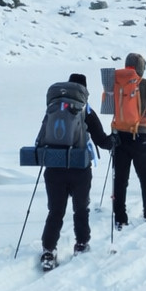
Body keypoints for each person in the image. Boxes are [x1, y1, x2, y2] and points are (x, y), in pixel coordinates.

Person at [39, 74, 113, 268]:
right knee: (80, 209)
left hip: (54, 167)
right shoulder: (86, 110)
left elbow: (41, 139)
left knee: (55, 210)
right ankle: (81, 244)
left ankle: (48, 251)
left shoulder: (54, 108)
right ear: (84, 91)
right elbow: (102, 140)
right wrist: (114, 141)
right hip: (79, 167)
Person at [110, 52, 146, 227]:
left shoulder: (115, 84)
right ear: (141, 67)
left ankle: (120, 217)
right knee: (145, 176)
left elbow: (108, 106)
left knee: (120, 178)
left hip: (119, 135)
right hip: (141, 135)